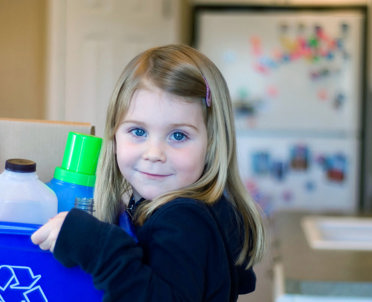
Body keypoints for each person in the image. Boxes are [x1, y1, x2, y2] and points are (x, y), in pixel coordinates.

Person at [31, 44, 266, 301]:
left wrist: (95, 244)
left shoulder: (183, 220)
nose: (154, 153)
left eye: (178, 135)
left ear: (212, 144)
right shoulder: (193, 209)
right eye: (139, 132)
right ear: (114, 135)